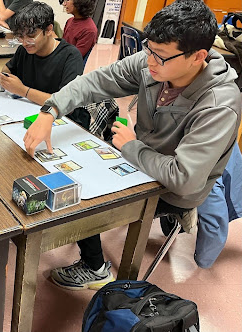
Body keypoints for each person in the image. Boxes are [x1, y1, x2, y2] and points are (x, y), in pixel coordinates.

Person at [23, 0, 241, 290]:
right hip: (142, 161)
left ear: (198, 56)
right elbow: (95, 81)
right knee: (71, 169)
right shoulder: (152, 62)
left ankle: (95, 268)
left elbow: (184, 179)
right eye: (148, 49)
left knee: (82, 198)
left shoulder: (219, 105)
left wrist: (132, 147)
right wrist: (50, 110)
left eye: (160, 56)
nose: (149, 61)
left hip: (174, 188)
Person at [0, 1, 83, 107]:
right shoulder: (24, 50)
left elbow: (66, 103)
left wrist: (23, 90)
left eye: (31, 36)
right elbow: (8, 69)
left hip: (62, 117)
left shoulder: (70, 56)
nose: (25, 42)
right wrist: (4, 78)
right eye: (21, 37)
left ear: (48, 30)